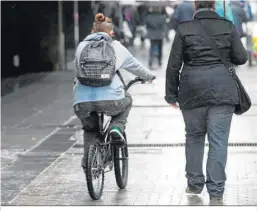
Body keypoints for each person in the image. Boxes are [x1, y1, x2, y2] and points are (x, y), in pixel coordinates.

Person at [165, 0, 248, 204]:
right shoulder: (227, 26)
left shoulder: (184, 29)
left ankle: (194, 183)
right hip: (222, 89)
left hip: (191, 90)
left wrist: (171, 95)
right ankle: (216, 189)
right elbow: (242, 58)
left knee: (194, 137)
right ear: (213, 5)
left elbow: (174, 64)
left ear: (196, 6)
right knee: (218, 141)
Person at [73, 13, 155, 148]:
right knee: (127, 100)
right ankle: (116, 128)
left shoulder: (81, 47)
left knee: (90, 130)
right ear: (111, 33)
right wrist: (149, 76)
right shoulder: (116, 46)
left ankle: (88, 163)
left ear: (92, 30)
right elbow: (135, 66)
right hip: (112, 100)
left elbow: (77, 71)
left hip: (82, 102)